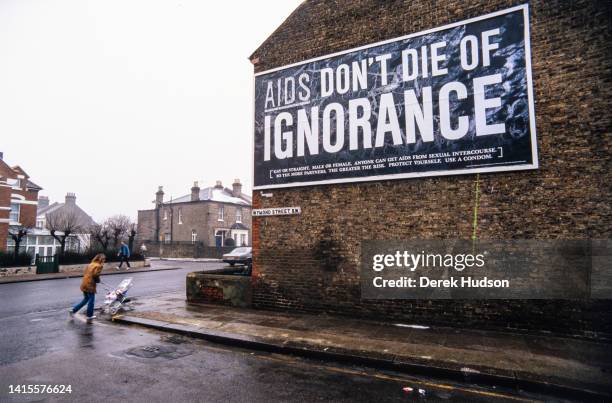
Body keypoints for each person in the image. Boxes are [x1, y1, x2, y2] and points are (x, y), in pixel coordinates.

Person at [69, 253, 105, 322]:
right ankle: (89, 316)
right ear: (101, 259)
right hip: (90, 285)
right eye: (104, 259)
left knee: (86, 299)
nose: (104, 261)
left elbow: (86, 273)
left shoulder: (90, 264)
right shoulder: (99, 266)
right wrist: (98, 281)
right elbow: (95, 275)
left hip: (84, 283)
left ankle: (73, 310)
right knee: (91, 301)